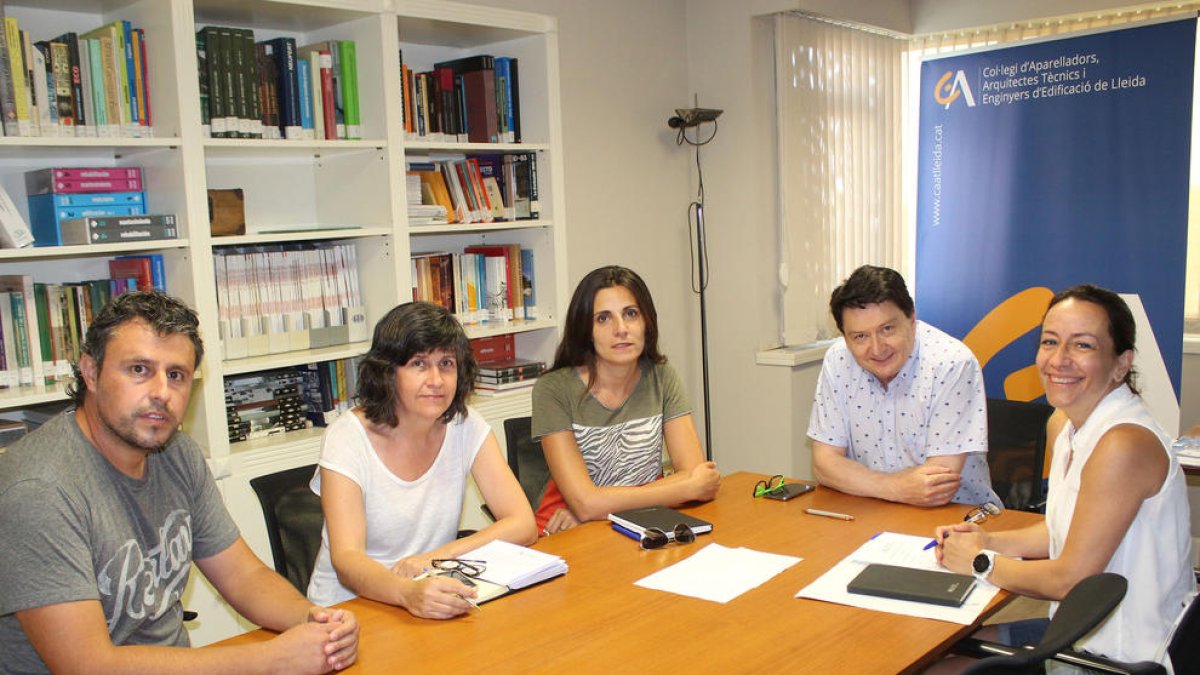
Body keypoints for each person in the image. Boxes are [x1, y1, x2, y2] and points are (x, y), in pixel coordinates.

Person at [0, 291, 358, 674]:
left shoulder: (177, 453)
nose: (161, 393)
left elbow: (243, 576)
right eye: (139, 369)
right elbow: (88, 666)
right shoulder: (38, 490)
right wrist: (271, 660)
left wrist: (317, 622)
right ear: (90, 372)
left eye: (176, 375)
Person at [935, 284, 1194, 667]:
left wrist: (981, 561)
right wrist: (990, 539)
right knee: (942, 652)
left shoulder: (1123, 444)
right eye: (1050, 341)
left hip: (1121, 655)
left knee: (938, 665)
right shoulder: (1066, 424)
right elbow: (1065, 530)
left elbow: (1070, 579)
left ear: (1122, 363)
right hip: (1078, 630)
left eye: (1082, 345)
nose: (1059, 360)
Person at [306, 302, 536, 619]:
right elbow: (347, 560)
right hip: (349, 611)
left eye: (446, 364)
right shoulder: (347, 437)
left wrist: (435, 559)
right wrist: (406, 593)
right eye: (418, 364)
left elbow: (523, 523)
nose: (436, 380)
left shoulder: (464, 424)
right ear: (388, 372)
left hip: (430, 598)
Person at [531, 265, 720, 535]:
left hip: (643, 525)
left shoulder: (662, 377)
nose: (621, 329)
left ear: (647, 322)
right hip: (565, 533)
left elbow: (694, 472)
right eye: (603, 319)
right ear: (586, 330)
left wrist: (601, 507)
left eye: (631, 314)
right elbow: (585, 504)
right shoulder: (553, 389)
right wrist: (682, 488)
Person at [807, 265, 998, 507]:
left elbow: (937, 484)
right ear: (845, 337)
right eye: (860, 337)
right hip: (869, 511)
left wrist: (864, 480)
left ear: (912, 320)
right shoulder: (838, 360)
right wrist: (894, 487)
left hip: (955, 517)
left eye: (887, 329)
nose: (877, 349)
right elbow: (824, 464)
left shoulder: (951, 363)